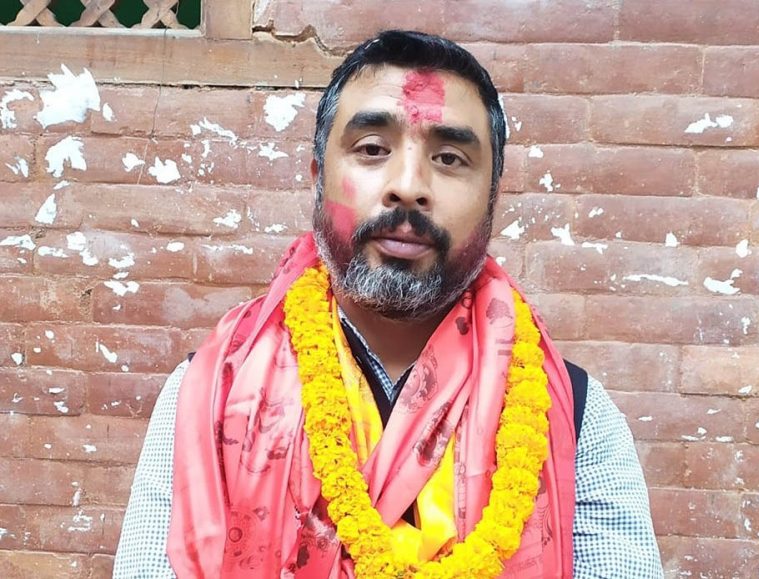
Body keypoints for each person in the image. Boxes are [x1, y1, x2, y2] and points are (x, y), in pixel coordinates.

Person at [114, 30, 663, 578]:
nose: (407, 185)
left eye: (449, 157)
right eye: (373, 149)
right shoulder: (210, 393)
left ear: (492, 199)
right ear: (317, 178)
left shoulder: (573, 415)